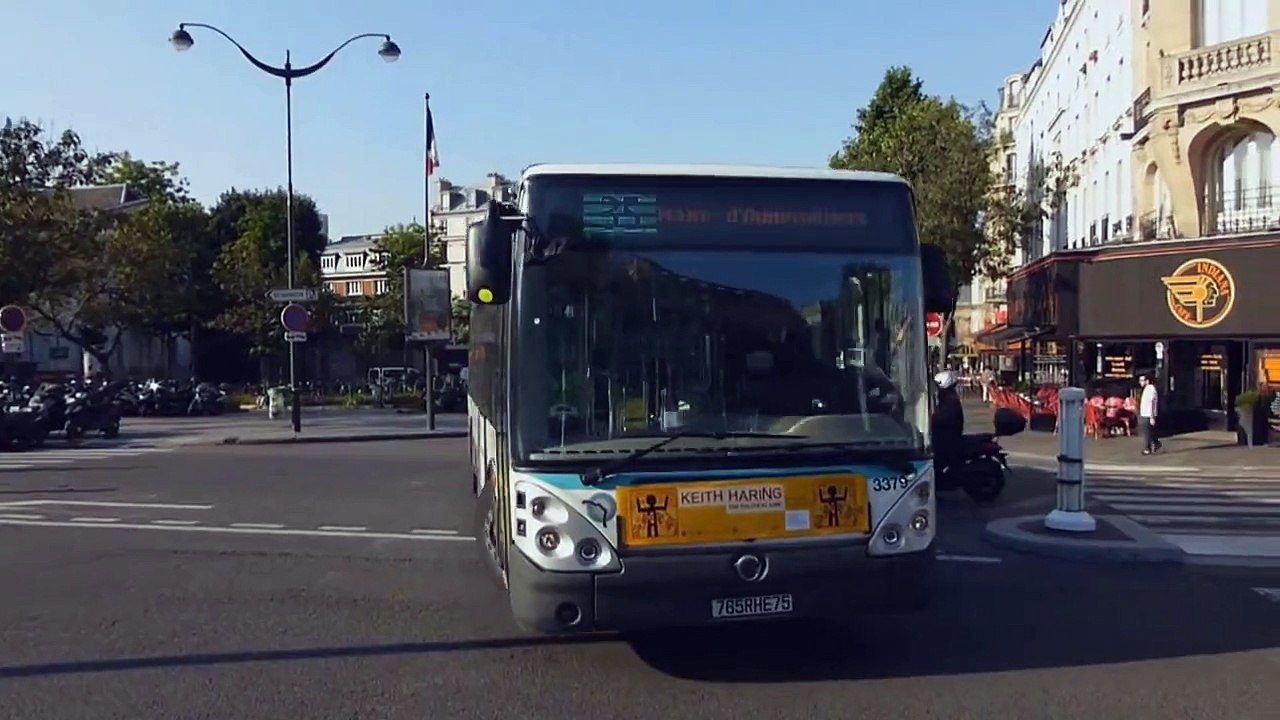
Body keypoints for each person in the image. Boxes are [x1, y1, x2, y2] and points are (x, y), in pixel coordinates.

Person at [931, 369, 965, 463]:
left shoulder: (950, 401)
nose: (935, 389)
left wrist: (931, 421)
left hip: (948, 442)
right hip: (947, 439)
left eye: (937, 386)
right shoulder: (947, 398)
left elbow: (942, 418)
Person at [1137, 374, 1161, 454]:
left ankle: (1148, 448)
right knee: (1150, 431)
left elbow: (1152, 402)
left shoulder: (1151, 389)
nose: (1140, 382)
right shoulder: (1146, 389)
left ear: (1147, 381)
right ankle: (1156, 443)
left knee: (1147, 432)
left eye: (1142, 380)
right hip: (1145, 413)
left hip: (1148, 414)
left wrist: (1152, 416)